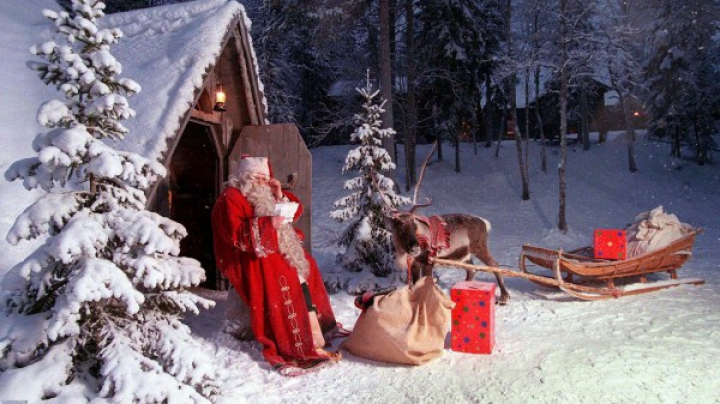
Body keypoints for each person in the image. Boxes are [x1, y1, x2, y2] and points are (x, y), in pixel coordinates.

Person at [211, 156, 341, 375]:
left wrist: (279, 194)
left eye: (265, 177)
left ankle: (317, 332)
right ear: (244, 176)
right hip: (248, 256)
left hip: (273, 248)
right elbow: (235, 235)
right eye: (256, 177)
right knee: (284, 277)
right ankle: (295, 343)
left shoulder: (267, 195)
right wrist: (268, 224)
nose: (261, 181)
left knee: (308, 264)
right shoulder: (231, 197)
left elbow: (294, 211)